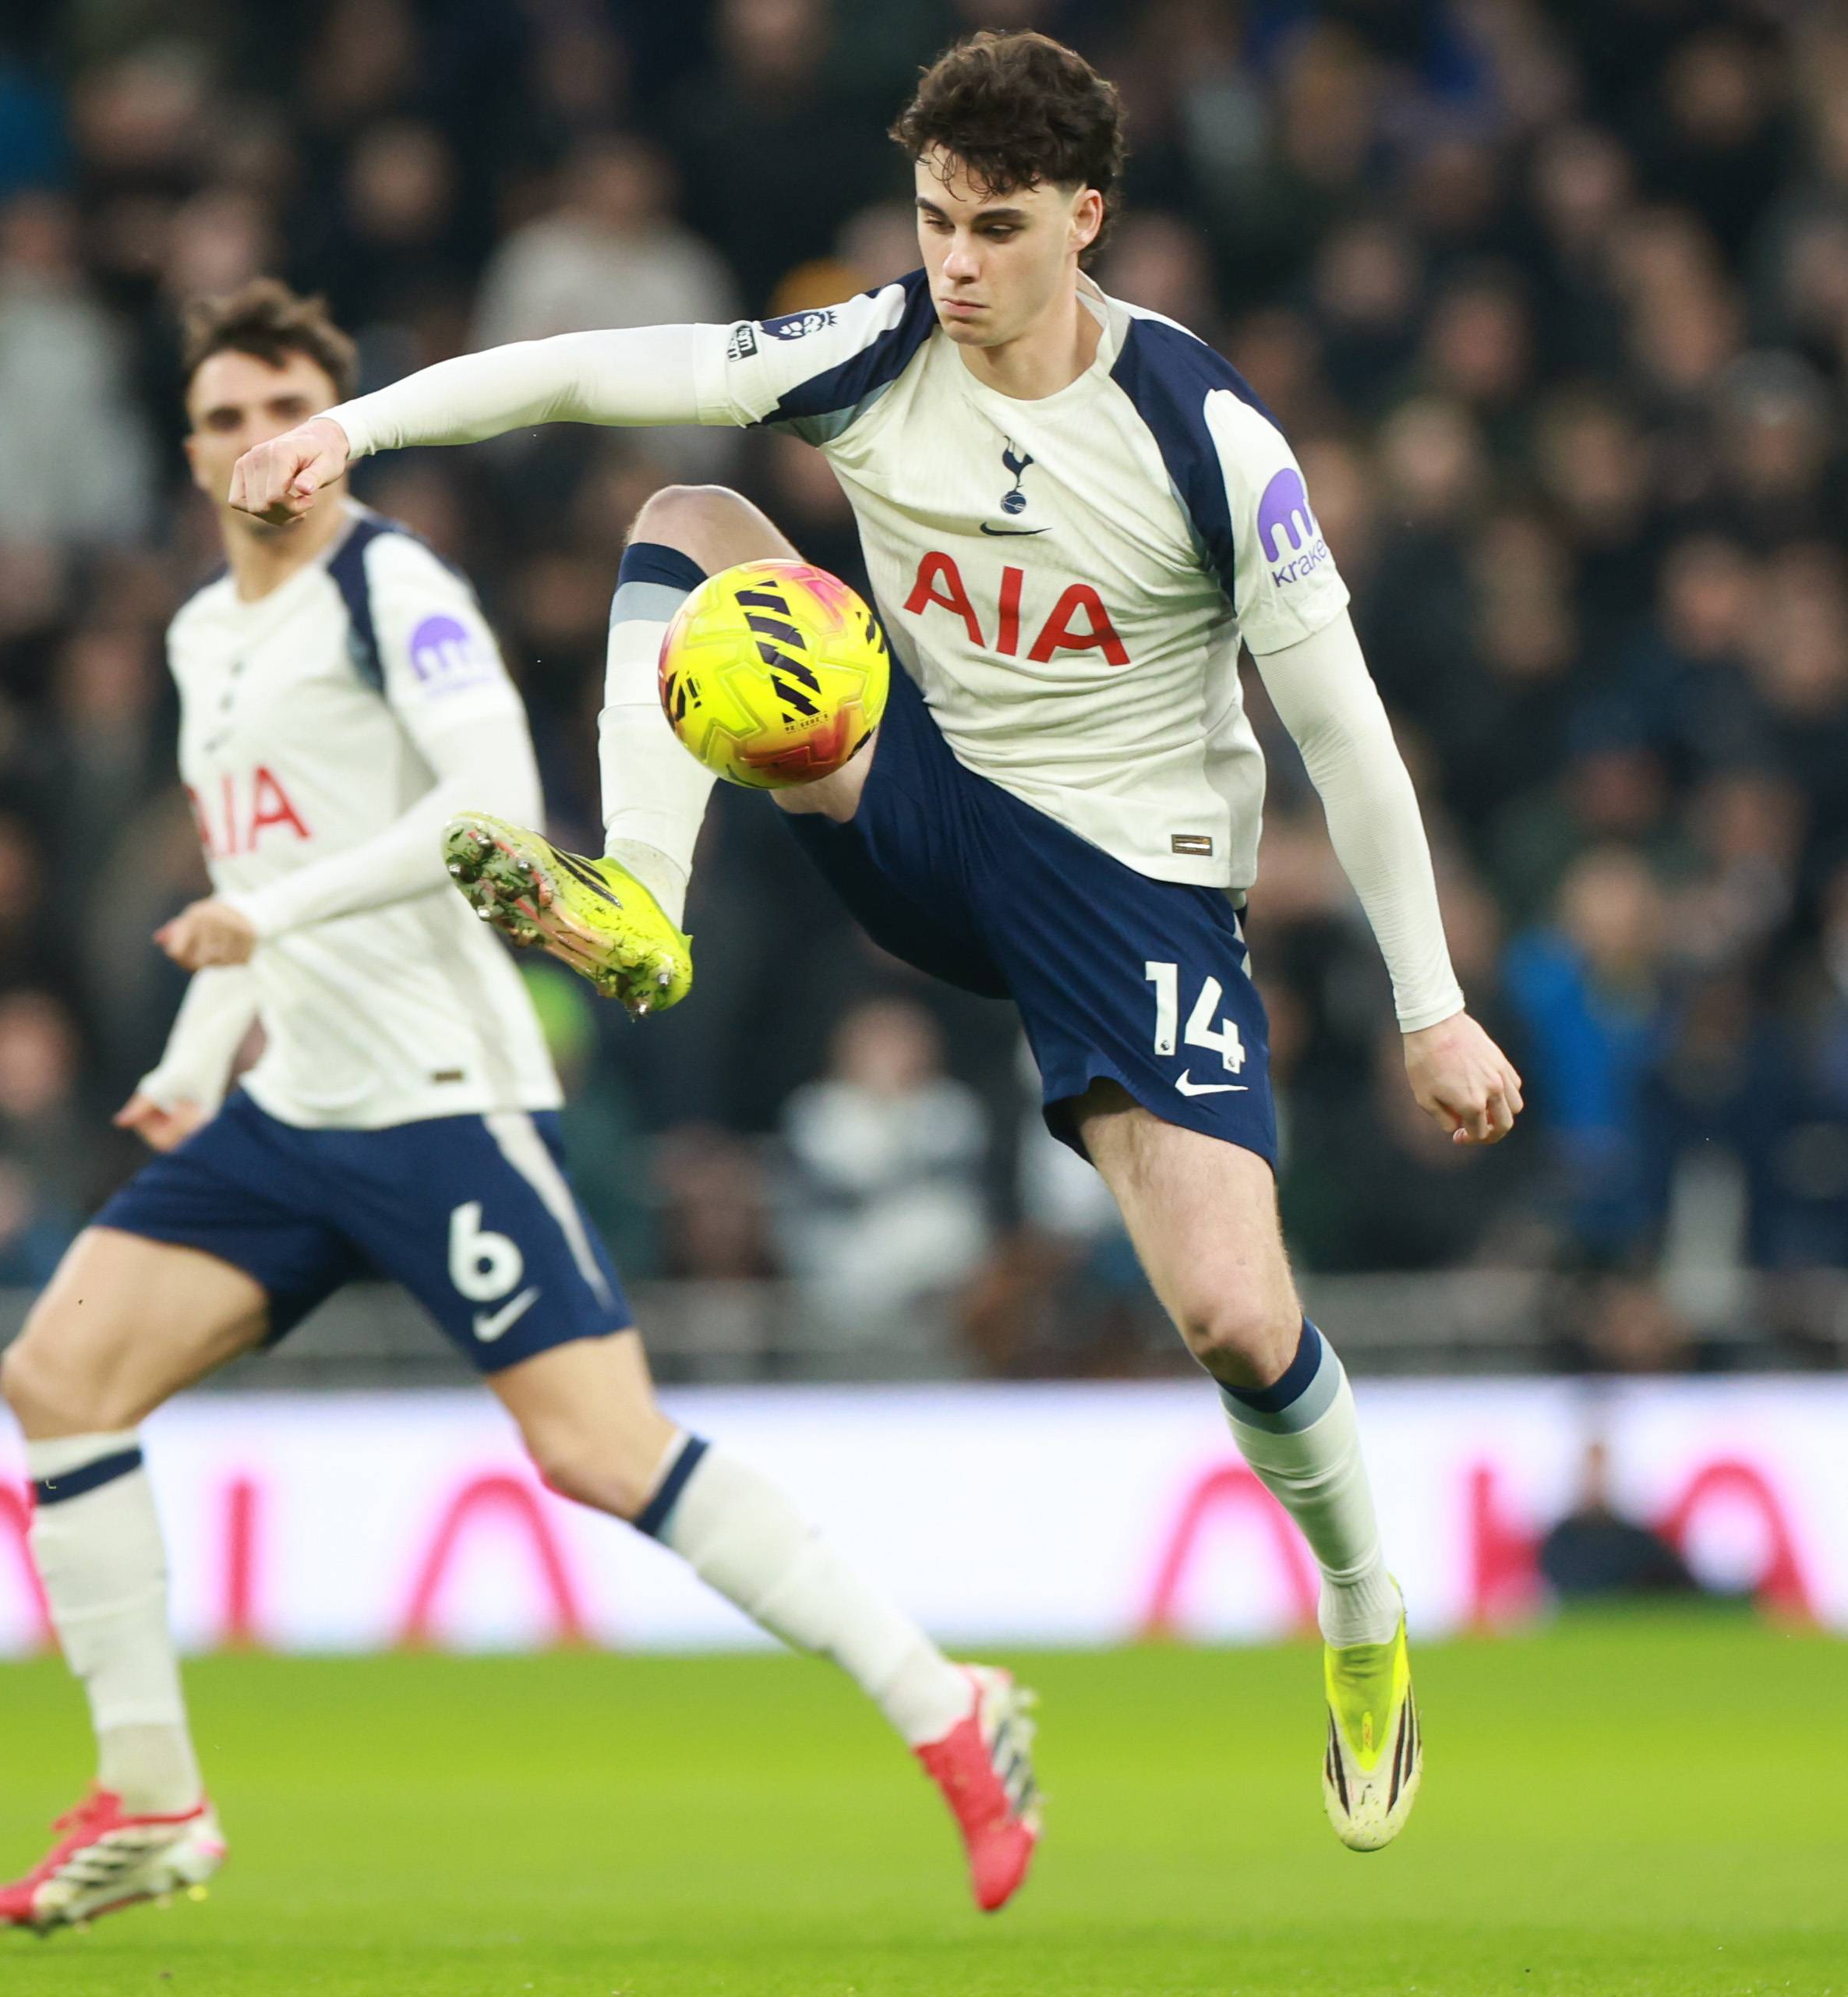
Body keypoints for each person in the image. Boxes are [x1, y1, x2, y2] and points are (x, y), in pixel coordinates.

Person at [233, 30, 1528, 1854]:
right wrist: (349, 430)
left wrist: (1431, 1008)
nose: (956, 263)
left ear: (1085, 220)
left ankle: (1363, 1609)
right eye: (934, 220)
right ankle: (642, 896)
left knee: (1237, 1318)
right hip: (917, 797)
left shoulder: (1207, 436)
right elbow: (603, 371)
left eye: (996, 227)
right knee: (690, 521)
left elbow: (1349, 734)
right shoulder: (875, 348)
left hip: (1132, 884)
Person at [0, 281, 1040, 1937]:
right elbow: (254, 874)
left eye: (288, 413)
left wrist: (271, 918)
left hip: (441, 1104)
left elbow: (492, 807)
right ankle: (155, 1800)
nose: (262, 444)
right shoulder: (201, 638)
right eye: (229, 419)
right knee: (58, 1380)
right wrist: (193, 1058)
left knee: (603, 1450)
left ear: (332, 434)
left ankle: (943, 1702)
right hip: (293, 1108)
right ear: (191, 452)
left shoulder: (394, 593)